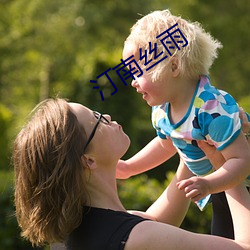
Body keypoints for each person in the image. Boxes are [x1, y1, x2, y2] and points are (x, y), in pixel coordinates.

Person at [13, 98, 250, 250]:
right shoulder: (138, 238)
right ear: (88, 160)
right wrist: (226, 165)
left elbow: (156, 221)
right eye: (97, 120)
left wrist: (190, 137)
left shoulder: (73, 234)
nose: (106, 116)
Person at [119, 9, 250, 239]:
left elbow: (242, 160)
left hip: (239, 185)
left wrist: (209, 184)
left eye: (139, 71)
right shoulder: (162, 110)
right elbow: (166, 145)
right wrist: (130, 167)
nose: (132, 82)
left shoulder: (211, 109)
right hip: (220, 189)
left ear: (173, 67)